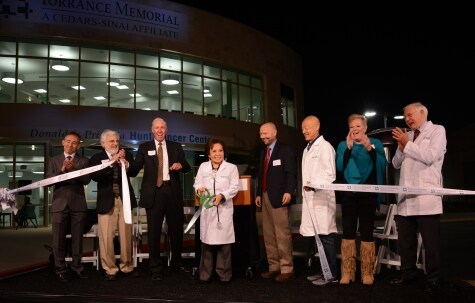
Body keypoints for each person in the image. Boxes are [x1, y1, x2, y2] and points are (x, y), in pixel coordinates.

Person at [390, 102, 446, 294]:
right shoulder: (409, 136)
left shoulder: (437, 131)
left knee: (431, 244)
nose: (407, 119)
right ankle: (408, 274)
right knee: (405, 243)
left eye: (410, 115)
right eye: (405, 116)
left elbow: (430, 156)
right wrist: (400, 146)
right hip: (407, 199)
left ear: (422, 112)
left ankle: (434, 279)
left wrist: (407, 144)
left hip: (426, 198)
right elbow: (396, 164)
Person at [128, 117, 191, 281]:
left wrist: (180, 165)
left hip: (172, 192)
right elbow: (134, 169)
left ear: (167, 129)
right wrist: (126, 165)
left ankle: (175, 264)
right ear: (152, 130)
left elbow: (187, 166)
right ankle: (155, 268)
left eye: (163, 127)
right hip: (154, 194)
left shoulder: (176, 147)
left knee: (176, 231)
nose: (160, 130)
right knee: (154, 232)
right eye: (157, 127)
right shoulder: (144, 148)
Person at [336, 114, 387, 285]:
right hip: (349, 196)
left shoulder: (376, 144)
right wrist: (349, 149)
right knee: (348, 232)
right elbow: (339, 167)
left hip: (368, 196)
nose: (355, 129)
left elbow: (382, 165)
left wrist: (369, 149)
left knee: (367, 232)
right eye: (352, 127)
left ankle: (367, 272)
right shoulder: (343, 145)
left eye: (358, 126)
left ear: (365, 128)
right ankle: (347, 272)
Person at [89, 129, 139, 281]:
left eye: (116, 141)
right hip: (107, 202)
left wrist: (126, 163)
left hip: (125, 200)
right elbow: (95, 176)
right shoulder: (96, 158)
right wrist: (112, 163)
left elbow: (135, 171)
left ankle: (127, 266)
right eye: (111, 141)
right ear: (103, 143)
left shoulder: (127, 154)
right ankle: (110, 269)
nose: (115, 143)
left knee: (126, 236)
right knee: (106, 237)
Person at [255, 122, 297, 283]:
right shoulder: (263, 152)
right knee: (269, 235)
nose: (262, 136)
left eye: (265, 133)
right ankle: (274, 267)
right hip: (265, 197)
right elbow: (261, 175)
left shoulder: (285, 149)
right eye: (260, 134)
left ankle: (287, 268)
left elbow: (291, 173)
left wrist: (289, 191)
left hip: (280, 197)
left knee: (282, 234)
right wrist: (259, 193)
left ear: (274, 132)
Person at [46, 131, 91, 282]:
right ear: (62, 142)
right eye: (68, 141)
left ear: (78, 145)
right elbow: (48, 181)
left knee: (77, 239)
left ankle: (77, 267)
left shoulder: (83, 161)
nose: (71, 144)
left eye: (74, 142)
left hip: (78, 204)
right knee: (58, 239)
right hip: (59, 204)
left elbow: (86, 180)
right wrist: (62, 170)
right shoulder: (53, 160)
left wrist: (73, 169)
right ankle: (60, 268)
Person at [193, 139, 240, 284]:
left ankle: (224, 275)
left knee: (224, 244)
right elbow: (197, 182)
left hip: (224, 209)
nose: (217, 154)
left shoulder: (231, 168)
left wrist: (222, 196)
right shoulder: (203, 166)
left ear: (224, 152)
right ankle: (205, 274)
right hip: (208, 209)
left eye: (220, 150)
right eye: (214, 151)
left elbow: (234, 187)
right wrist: (199, 189)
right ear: (209, 153)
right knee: (206, 243)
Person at [300, 115, 338, 286]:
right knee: (317, 238)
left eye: (307, 127)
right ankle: (323, 270)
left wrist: (314, 185)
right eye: (302, 128)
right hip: (310, 200)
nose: (304, 131)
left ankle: (331, 274)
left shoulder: (325, 147)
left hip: (322, 199)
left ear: (317, 127)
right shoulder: (307, 148)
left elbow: (330, 173)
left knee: (326, 236)